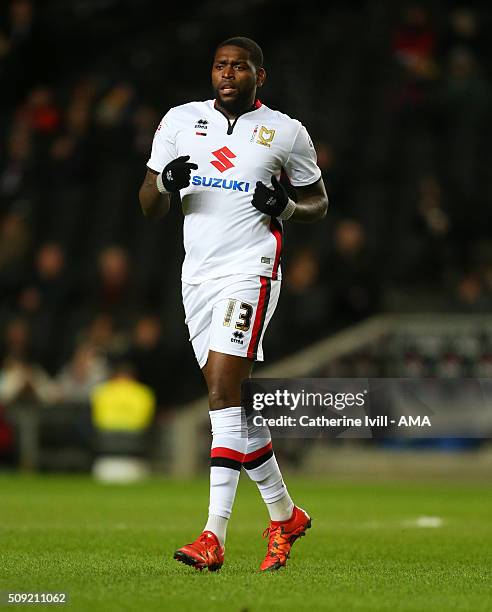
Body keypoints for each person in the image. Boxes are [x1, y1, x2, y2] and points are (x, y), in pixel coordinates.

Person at [138, 36, 328, 572]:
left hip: (250, 272)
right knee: (236, 407)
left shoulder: (286, 132)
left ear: (258, 77)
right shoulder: (180, 120)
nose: (227, 74)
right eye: (220, 65)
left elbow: (319, 199)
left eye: (239, 67)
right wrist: (166, 184)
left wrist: (288, 206)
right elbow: (148, 203)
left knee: (223, 393)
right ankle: (286, 516)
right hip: (195, 278)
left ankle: (212, 536)